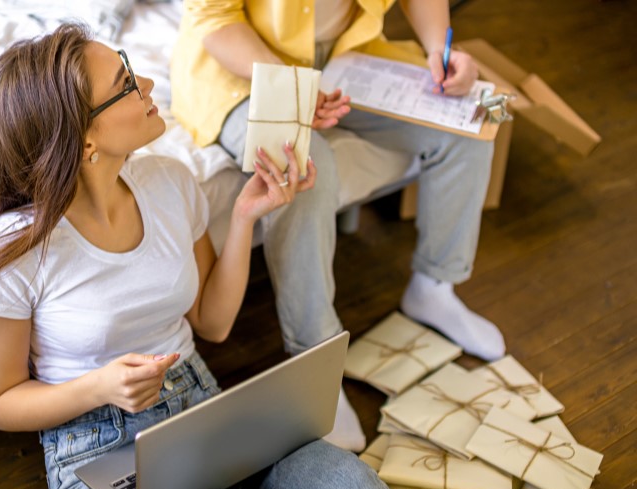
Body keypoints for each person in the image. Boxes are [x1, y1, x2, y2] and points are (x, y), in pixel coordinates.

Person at [0, 23, 412, 489]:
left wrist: (245, 217)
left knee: (350, 483)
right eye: (126, 84)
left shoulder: (170, 182)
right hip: (96, 453)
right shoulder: (17, 247)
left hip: (202, 411)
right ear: (85, 136)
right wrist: (101, 387)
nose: (149, 84)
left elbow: (212, 324)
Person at [171, 0, 507, 452]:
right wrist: (292, 88)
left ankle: (434, 287)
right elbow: (213, 18)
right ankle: (315, 359)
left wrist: (440, 50)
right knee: (308, 167)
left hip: (347, 56)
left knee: (473, 120)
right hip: (243, 68)